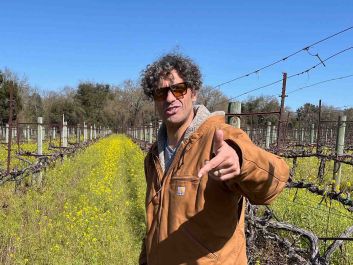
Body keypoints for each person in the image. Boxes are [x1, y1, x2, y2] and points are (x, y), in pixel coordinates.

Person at [138, 53, 289, 265]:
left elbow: (275, 180)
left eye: (178, 89)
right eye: (161, 92)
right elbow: (153, 226)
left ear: (194, 93)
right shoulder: (153, 157)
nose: (170, 98)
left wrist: (241, 160)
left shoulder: (221, 138)